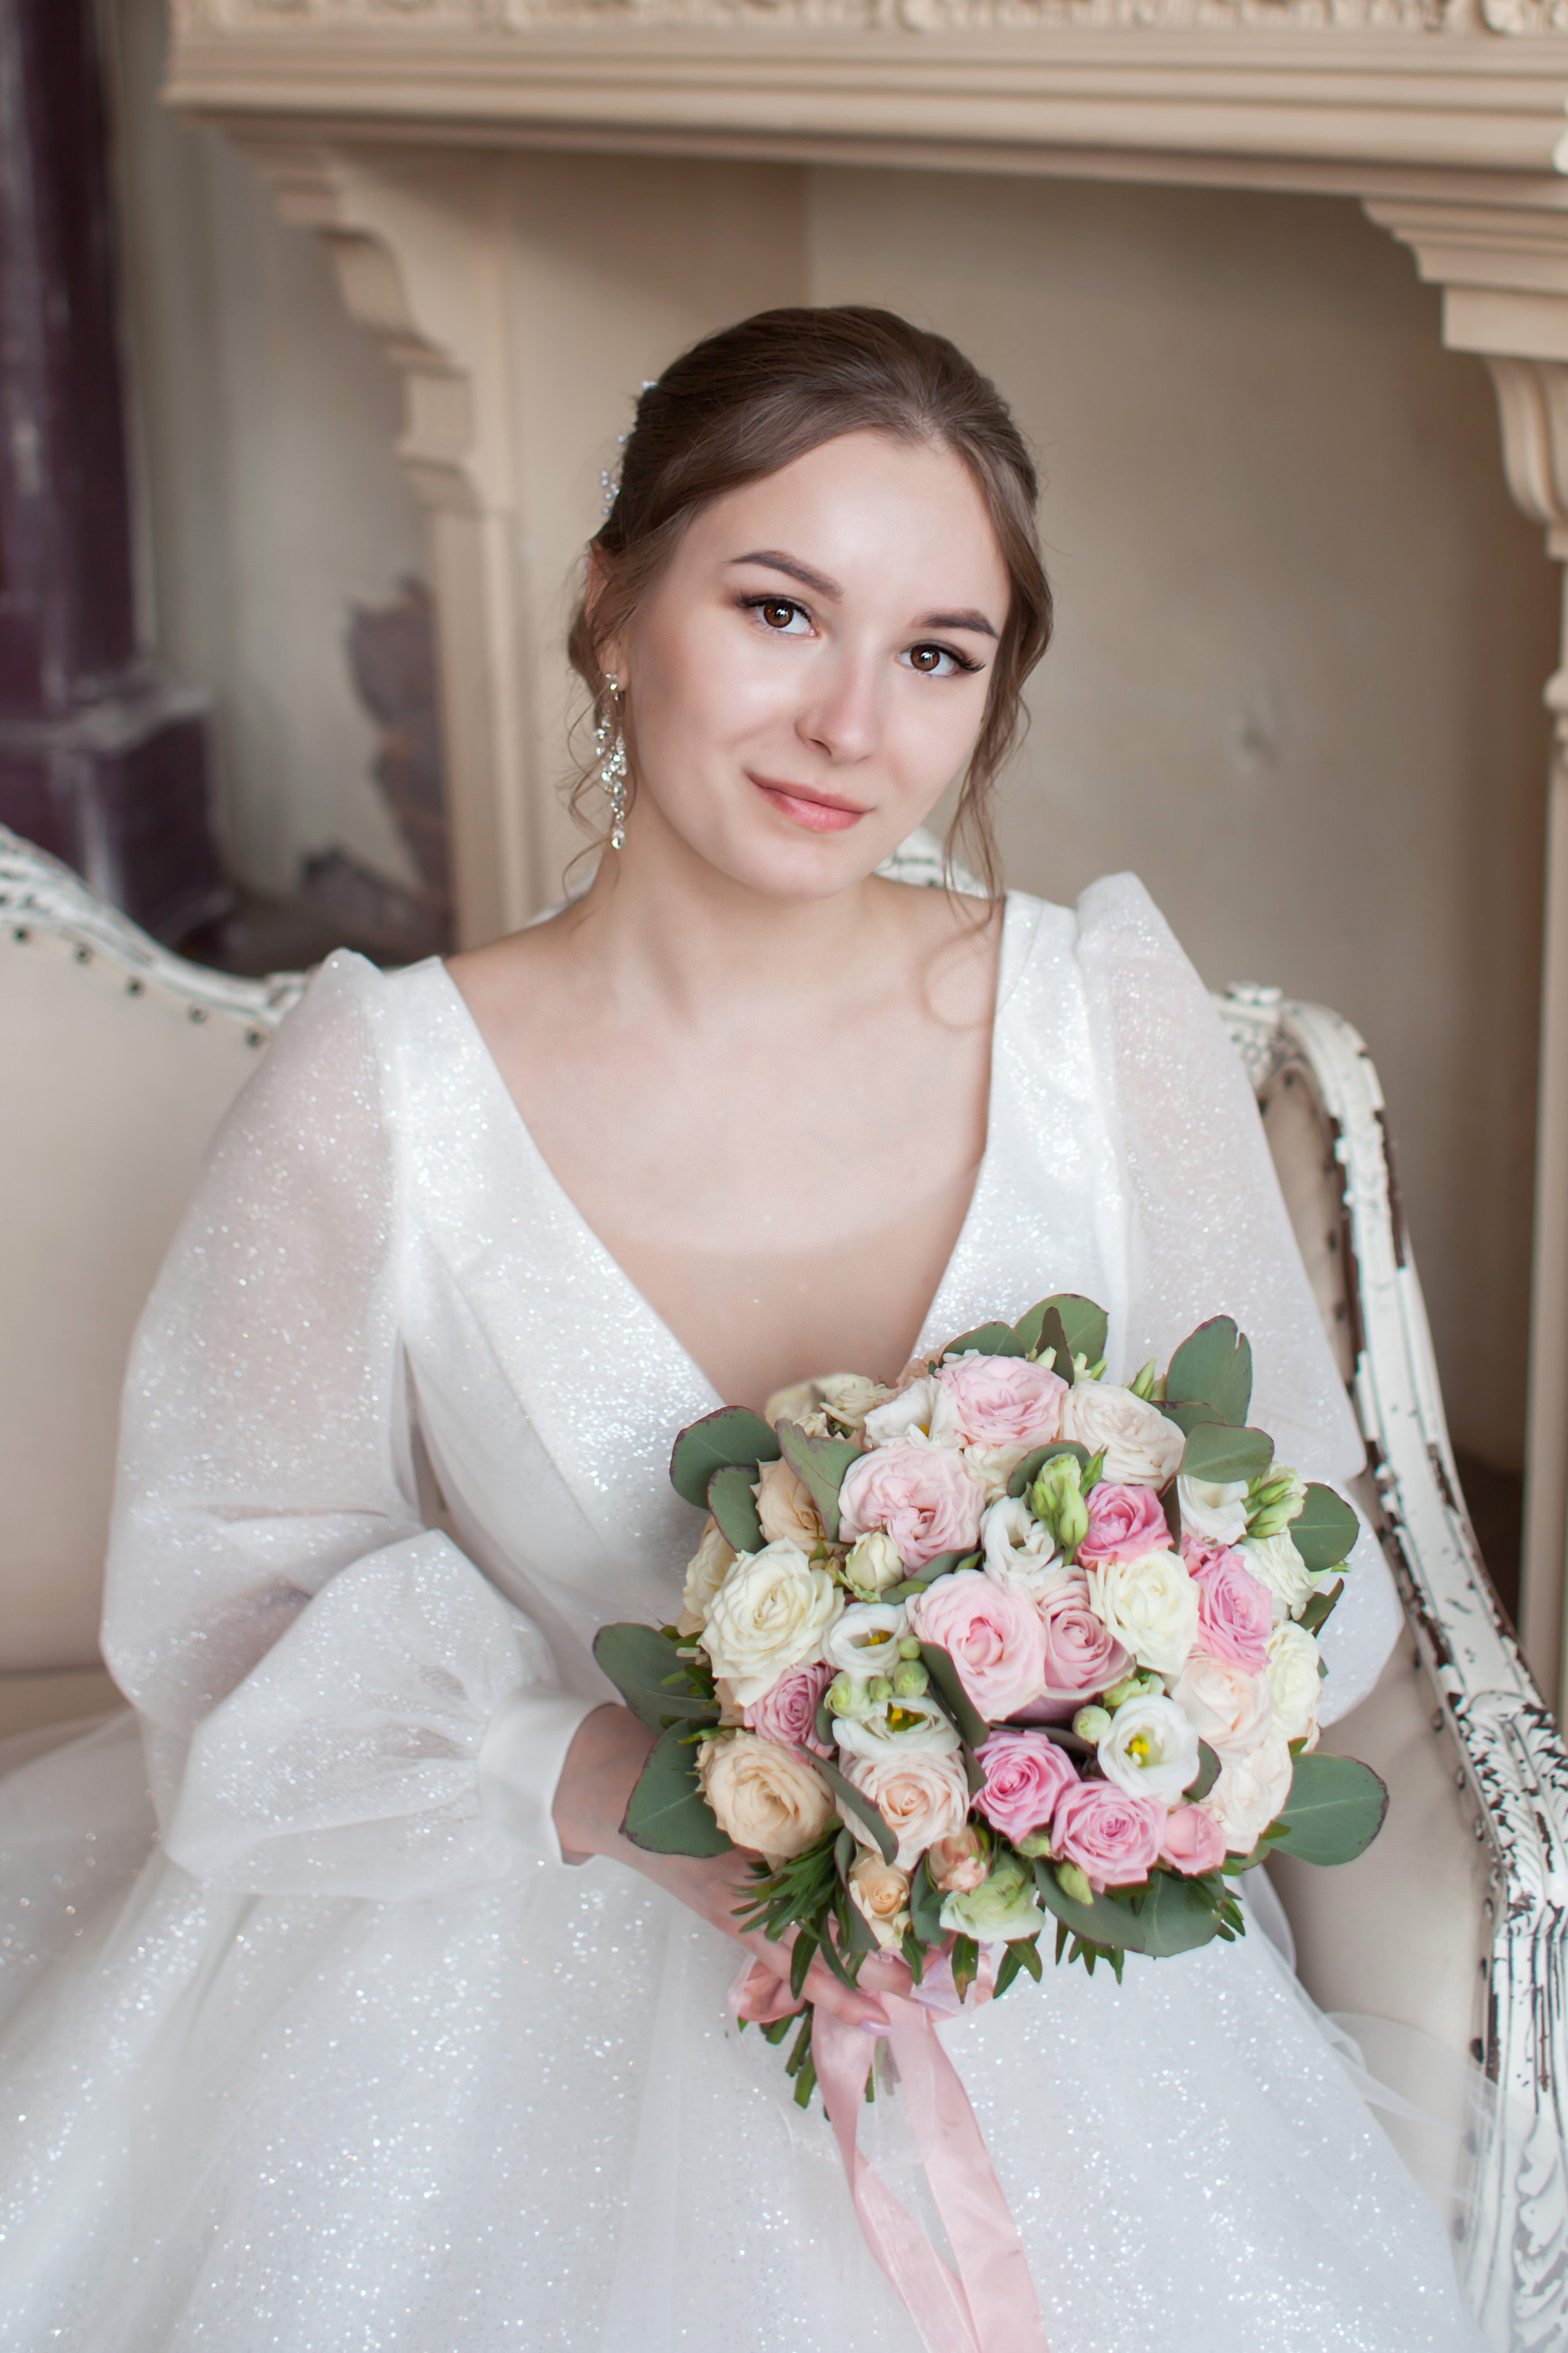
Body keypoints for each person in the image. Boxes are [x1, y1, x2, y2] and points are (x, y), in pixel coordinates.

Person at [0, 307, 1488, 2351]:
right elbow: (228, 1614)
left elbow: (1289, 1541)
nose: (849, 724)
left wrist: (1059, 1759)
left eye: (937, 655)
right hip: (516, 1963)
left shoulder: (1094, 1019)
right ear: (614, 609)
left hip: (1043, 1996)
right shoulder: (379, 1087)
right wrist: (622, 1779)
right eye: (780, 608)